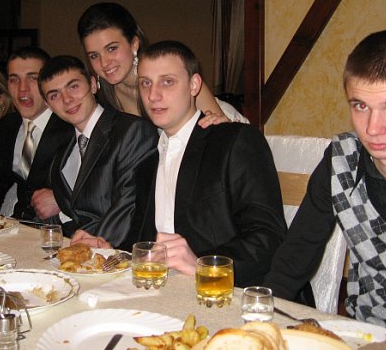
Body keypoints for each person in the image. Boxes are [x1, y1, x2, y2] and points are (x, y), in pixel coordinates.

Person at [264, 30, 386, 346]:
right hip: (359, 336)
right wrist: (257, 326)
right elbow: (293, 261)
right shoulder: (341, 159)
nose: (373, 128)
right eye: (360, 105)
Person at [75, 40, 286, 288]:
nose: (153, 95)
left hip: (234, 291)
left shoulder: (235, 140)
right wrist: (108, 249)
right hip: (167, 288)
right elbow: (143, 239)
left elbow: (268, 236)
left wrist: (204, 266)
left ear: (194, 85)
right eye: (146, 83)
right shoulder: (148, 162)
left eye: (167, 82)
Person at [38, 55, 158, 247]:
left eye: (73, 86)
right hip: (75, 249)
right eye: (54, 95)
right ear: (48, 105)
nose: (67, 99)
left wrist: (93, 245)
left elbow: (129, 205)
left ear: (93, 85)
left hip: (117, 251)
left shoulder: (131, 130)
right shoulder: (62, 147)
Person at [77, 2, 248, 124]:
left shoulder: (174, 75)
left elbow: (220, 135)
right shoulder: (103, 95)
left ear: (134, 44)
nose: (104, 63)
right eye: (94, 56)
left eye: (112, 48)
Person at [0, 47, 74, 221]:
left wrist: (63, 199)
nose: (22, 89)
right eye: (14, 80)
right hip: (18, 226)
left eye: (32, 78)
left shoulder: (71, 126)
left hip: (60, 229)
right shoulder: (9, 125)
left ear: (49, 82)